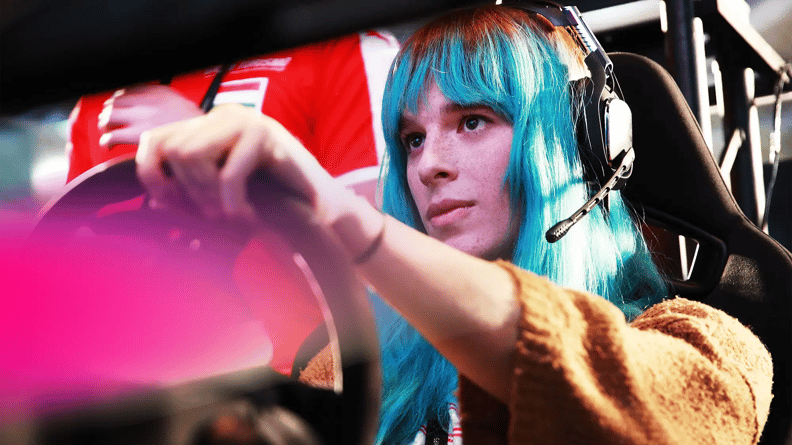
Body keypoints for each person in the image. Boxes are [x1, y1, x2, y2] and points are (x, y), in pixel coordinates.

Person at [133, 5, 772, 445]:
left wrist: (341, 217)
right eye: (411, 138)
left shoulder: (711, 347)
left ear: (580, 141)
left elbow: (645, 418)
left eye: (472, 121)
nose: (430, 165)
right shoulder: (351, 365)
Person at [64, 30, 400, 375]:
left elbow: (395, 279)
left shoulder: (342, 48)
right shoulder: (98, 101)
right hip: (146, 404)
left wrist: (219, 149)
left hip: (316, 394)